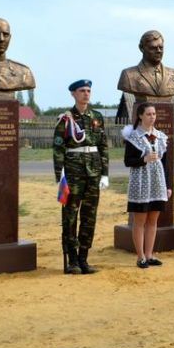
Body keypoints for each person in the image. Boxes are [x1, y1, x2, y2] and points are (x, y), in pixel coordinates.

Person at [53, 80, 109, 274]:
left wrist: (105, 173)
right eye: (82, 91)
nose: (86, 94)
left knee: (89, 216)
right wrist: (59, 175)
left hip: (93, 172)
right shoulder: (66, 119)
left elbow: (103, 146)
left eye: (88, 91)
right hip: (73, 172)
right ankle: (72, 259)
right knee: (70, 216)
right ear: (73, 94)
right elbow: (58, 148)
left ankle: (84, 258)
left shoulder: (97, 117)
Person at [122, 103, 172, 268]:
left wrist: (168, 185)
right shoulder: (134, 137)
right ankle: (140, 256)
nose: (152, 117)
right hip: (141, 183)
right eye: (149, 114)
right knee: (140, 221)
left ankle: (150, 255)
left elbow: (165, 164)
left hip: (157, 182)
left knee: (153, 220)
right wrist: (143, 160)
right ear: (141, 116)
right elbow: (128, 161)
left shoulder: (161, 137)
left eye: (154, 114)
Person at [116, 30, 174, 102]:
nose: (158, 51)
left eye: (161, 47)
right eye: (153, 48)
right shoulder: (128, 75)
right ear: (141, 48)